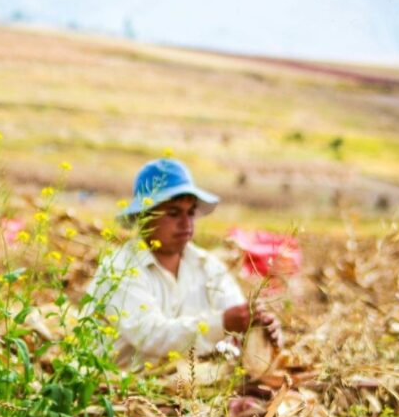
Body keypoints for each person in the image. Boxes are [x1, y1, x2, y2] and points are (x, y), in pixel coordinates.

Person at [89, 158, 282, 369]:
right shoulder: (119, 269)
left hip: (188, 383)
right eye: (173, 213)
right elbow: (150, 335)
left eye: (190, 213)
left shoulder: (209, 267)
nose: (186, 223)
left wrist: (260, 331)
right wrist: (223, 323)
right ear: (143, 217)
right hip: (123, 387)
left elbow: (236, 320)